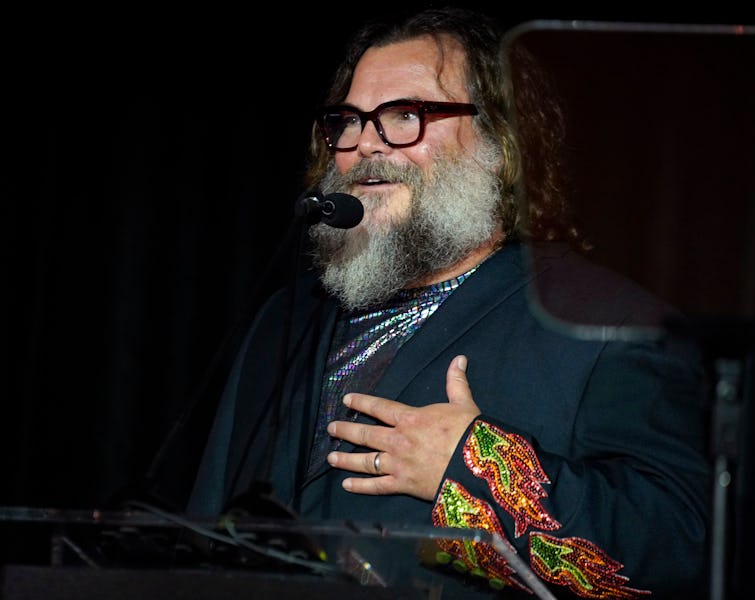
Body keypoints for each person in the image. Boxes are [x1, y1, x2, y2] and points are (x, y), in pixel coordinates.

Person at [185, 7, 710, 599]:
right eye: (349, 121)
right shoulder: (287, 319)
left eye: (406, 115)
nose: (365, 146)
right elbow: (206, 530)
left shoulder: (608, 323)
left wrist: (476, 468)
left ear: (500, 138)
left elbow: (681, 553)